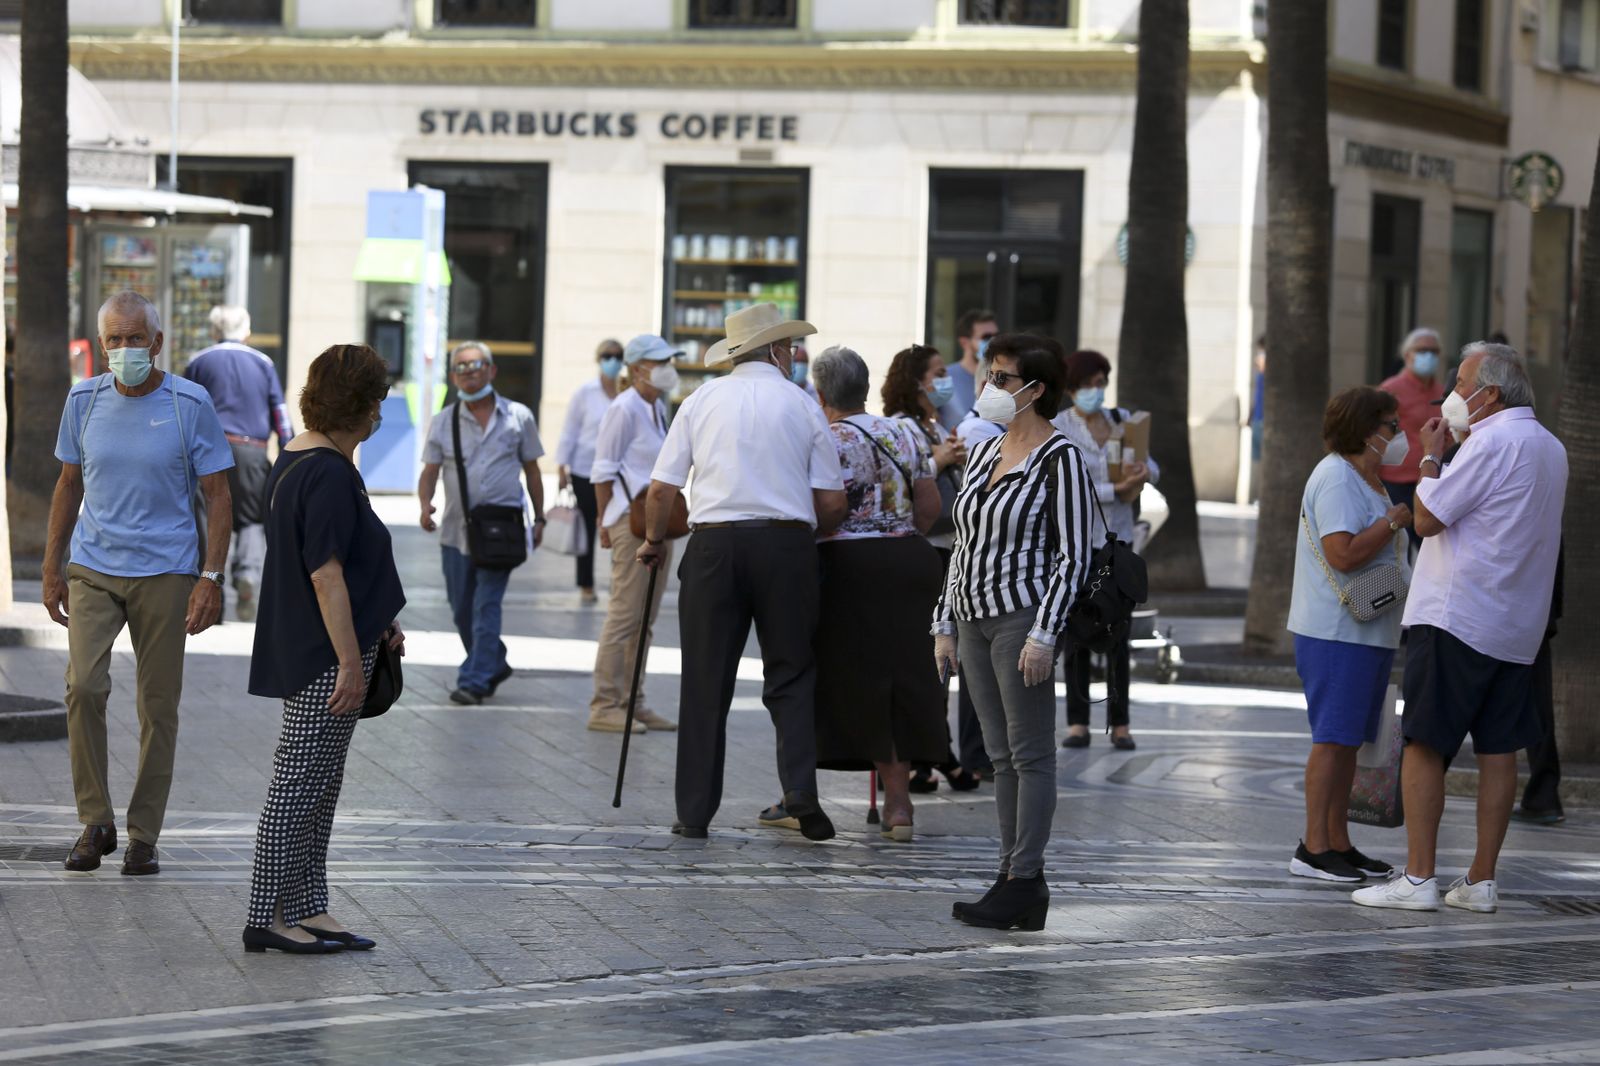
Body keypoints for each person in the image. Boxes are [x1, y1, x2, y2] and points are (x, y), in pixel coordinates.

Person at [1353, 343, 1566, 914]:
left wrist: (1429, 458)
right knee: (1500, 750)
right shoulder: (1549, 446)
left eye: (1462, 382)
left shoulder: (1492, 442)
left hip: (1459, 616)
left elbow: (1427, 517)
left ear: (1488, 394)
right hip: (1517, 624)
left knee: (1424, 743)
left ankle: (1420, 878)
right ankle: (1480, 879)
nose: (1452, 393)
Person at [638, 302, 846, 842]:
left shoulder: (700, 400)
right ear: (776, 350)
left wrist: (654, 541)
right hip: (786, 546)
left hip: (714, 549)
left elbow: (662, 489)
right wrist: (801, 534)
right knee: (792, 673)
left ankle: (694, 813)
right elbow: (831, 501)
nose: (796, 356)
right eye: (791, 347)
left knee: (705, 681)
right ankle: (799, 789)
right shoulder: (802, 407)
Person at [46, 290, 234, 876]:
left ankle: (144, 832)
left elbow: (219, 494)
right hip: (95, 567)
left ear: (157, 343)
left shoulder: (188, 403)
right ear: (102, 346)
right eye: (115, 339)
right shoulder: (83, 400)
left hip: (167, 571)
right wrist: (53, 567)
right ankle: (94, 819)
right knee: (84, 689)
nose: (126, 349)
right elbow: (68, 485)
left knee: (158, 706)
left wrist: (210, 576)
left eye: (136, 339)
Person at [244, 343, 406, 954]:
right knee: (297, 783)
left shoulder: (296, 459)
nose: (381, 415)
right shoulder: (330, 473)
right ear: (363, 407)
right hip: (323, 656)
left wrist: (378, 624)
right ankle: (266, 915)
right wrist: (347, 660)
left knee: (321, 782)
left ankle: (308, 904)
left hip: (319, 645)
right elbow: (325, 574)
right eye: (379, 402)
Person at [934, 333, 1095, 931]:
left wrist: (1045, 633)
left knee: (1031, 755)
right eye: (989, 375)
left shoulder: (1062, 458)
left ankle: (1025, 879)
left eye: (1001, 378)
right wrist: (944, 624)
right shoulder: (983, 452)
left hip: (1022, 617)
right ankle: (1010, 876)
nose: (988, 388)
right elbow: (963, 545)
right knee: (999, 757)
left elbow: (1075, 556)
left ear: (1036, 390)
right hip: (973, 619)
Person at [775, 345, 945, 842]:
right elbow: (929, 504)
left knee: (848, 676)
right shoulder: (906, 431)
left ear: (821, 391)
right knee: (905, 675)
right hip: (910, 560)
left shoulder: (825, 437)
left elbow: (825, 511)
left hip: (848, 564)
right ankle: (899, 802)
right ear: (865, 387)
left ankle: (797, 792)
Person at [1285, 386, 1411, 883]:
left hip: (1367, 630)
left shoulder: (1369, 479)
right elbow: (1342, 553)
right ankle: (1313, 846)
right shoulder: (1337, 477)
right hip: (1337, 632)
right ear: (1365, 430)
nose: (1397, 436)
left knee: (1349, 743)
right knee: (1332, 740)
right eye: (1390, 427)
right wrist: (1393, 521)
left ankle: (1338, 840)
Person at [879, 343, 985, 790]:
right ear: (916, 381)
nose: (945, 380)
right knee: (923, 659)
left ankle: (929, 752)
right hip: (920, 550)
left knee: (938, 659)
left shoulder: (936, 423)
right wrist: (939, 460)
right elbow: (892, 485)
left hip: (947, 549)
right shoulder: (901, 427)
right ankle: (923, 755)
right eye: (938, 373)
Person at [418, 342, 546, 706]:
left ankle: (473, 680)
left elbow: (533, 470)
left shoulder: (519, 417)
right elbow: (429, 472)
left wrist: (539, 517)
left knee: (485, 605)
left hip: (502, 531)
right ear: (453, 375)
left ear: (492, 371)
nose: (469, 371)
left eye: (476, 365)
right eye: (461, 367)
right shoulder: (444, 421)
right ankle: (495, 662)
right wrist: (425, 505)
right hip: (456, 530)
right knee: (461, 608)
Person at [1053, 349, 1157, 751]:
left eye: (1101, 383)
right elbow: (1066, 487)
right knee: (1078, 632)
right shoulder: (1060, 427)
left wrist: (1142, 473)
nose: (1096, 391)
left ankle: (1121, 722)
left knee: (1119, 635)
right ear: (1072, 387)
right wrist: (1117, 490)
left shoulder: (1121, 423)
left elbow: (1153, 465)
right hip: (1079, 544)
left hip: (1119, 544)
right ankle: (1077, 721)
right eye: (1088, 384)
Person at [587, 334, 681, 734]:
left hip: (655, 522)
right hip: (630, 521)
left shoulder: (656, 407)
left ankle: (632, 701)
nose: (667, 367)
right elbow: (602, 470)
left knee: (646, 619)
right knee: (625, 616)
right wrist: (605, 522)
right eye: (659, 361)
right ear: (638, 367)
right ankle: (605, 704)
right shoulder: (623, 409)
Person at [184, 305, 295, 621]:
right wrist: (288, 451)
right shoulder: (264, 363)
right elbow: (280, 413)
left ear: (214, 332)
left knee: (206, 519)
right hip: (252, 451)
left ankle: (209, 591)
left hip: (208, 452)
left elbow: (184, 409)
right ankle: (246, 572)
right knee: (251, 519)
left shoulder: (198, 362)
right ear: (246, 332)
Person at [556, 339, 622, 603]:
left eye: (618, 355)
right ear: (598, 359)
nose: (613, 360)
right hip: (585, 470)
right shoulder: (584, 393)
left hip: (618, 474)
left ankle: (619, 582)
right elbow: (569, 431)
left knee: (619, 529)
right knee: (587, 527)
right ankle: (586, 584)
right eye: (607, 355)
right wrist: (562, 468)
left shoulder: (627, 392)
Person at [1377, 328, 1445, 548]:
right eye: (1423, 350)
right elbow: (1376, 433)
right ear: (1407, 355)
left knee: (1431, 547)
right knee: (1398, 548)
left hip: (1431, 479)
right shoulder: (1390, 389)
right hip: (1396, 481)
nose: (1429, 356)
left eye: (1434, 351)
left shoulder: (1442, 392)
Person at [938, 309, 999, 430]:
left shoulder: (1004, 378)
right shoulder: (944, 377)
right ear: (964, 342)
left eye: (996, 336)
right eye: (986, 337)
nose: (994, 341)